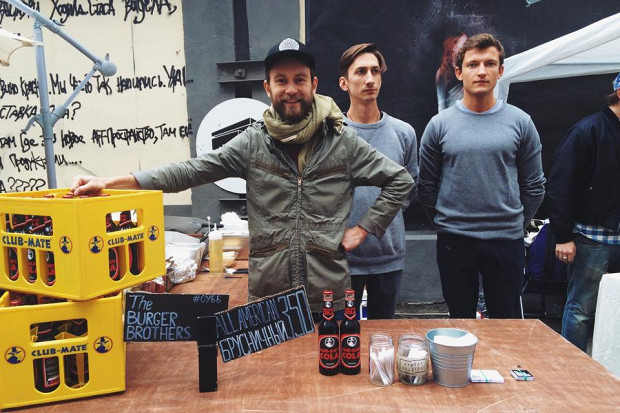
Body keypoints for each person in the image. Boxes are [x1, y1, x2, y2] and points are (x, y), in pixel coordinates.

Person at [71, 38, 414, 317]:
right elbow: (189, 171)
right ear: (267, 87)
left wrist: (364, 228)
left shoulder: (341, 142)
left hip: (328, 298)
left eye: (299, 79)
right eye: (281, 80)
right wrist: (110, 183)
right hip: (269, 297)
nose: (291, 89)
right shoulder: (252, 143)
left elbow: (400, 180)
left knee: (327, 376)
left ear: (314, 84)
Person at [418, 33, 545, 319]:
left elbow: (534, 186)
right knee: (460, 323)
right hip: (455, 240)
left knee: (506, 322)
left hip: (506, 240)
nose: (481, 71)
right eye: (473, 64)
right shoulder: (439, 125)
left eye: (489, 64)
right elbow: (426, 186)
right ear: (459, 72)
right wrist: (445, 222)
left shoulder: (521, 122)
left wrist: (514, 224)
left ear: (500, 71)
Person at [338, 43, 418, 319]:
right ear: (344, 83)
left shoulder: (403, 133)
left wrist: (381, 222)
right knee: (340, 333)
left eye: (375, 71)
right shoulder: (330, 133)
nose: (369, 79)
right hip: (340, 258)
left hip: (387, 254)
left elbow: (408, 188)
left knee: (382, 334)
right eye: (361, 72)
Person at [546, 73, 620, 352]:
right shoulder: (588, 130)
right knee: (581, 309)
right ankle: (571, 368)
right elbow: (560, 184)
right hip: (593, 238)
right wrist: (563, 235)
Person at [435, 32, 468, 112]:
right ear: (454, 47)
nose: (468, 47)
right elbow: (441, 103)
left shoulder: (468, 66)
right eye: (464, 44)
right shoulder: (442, 72)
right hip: (451, 113)